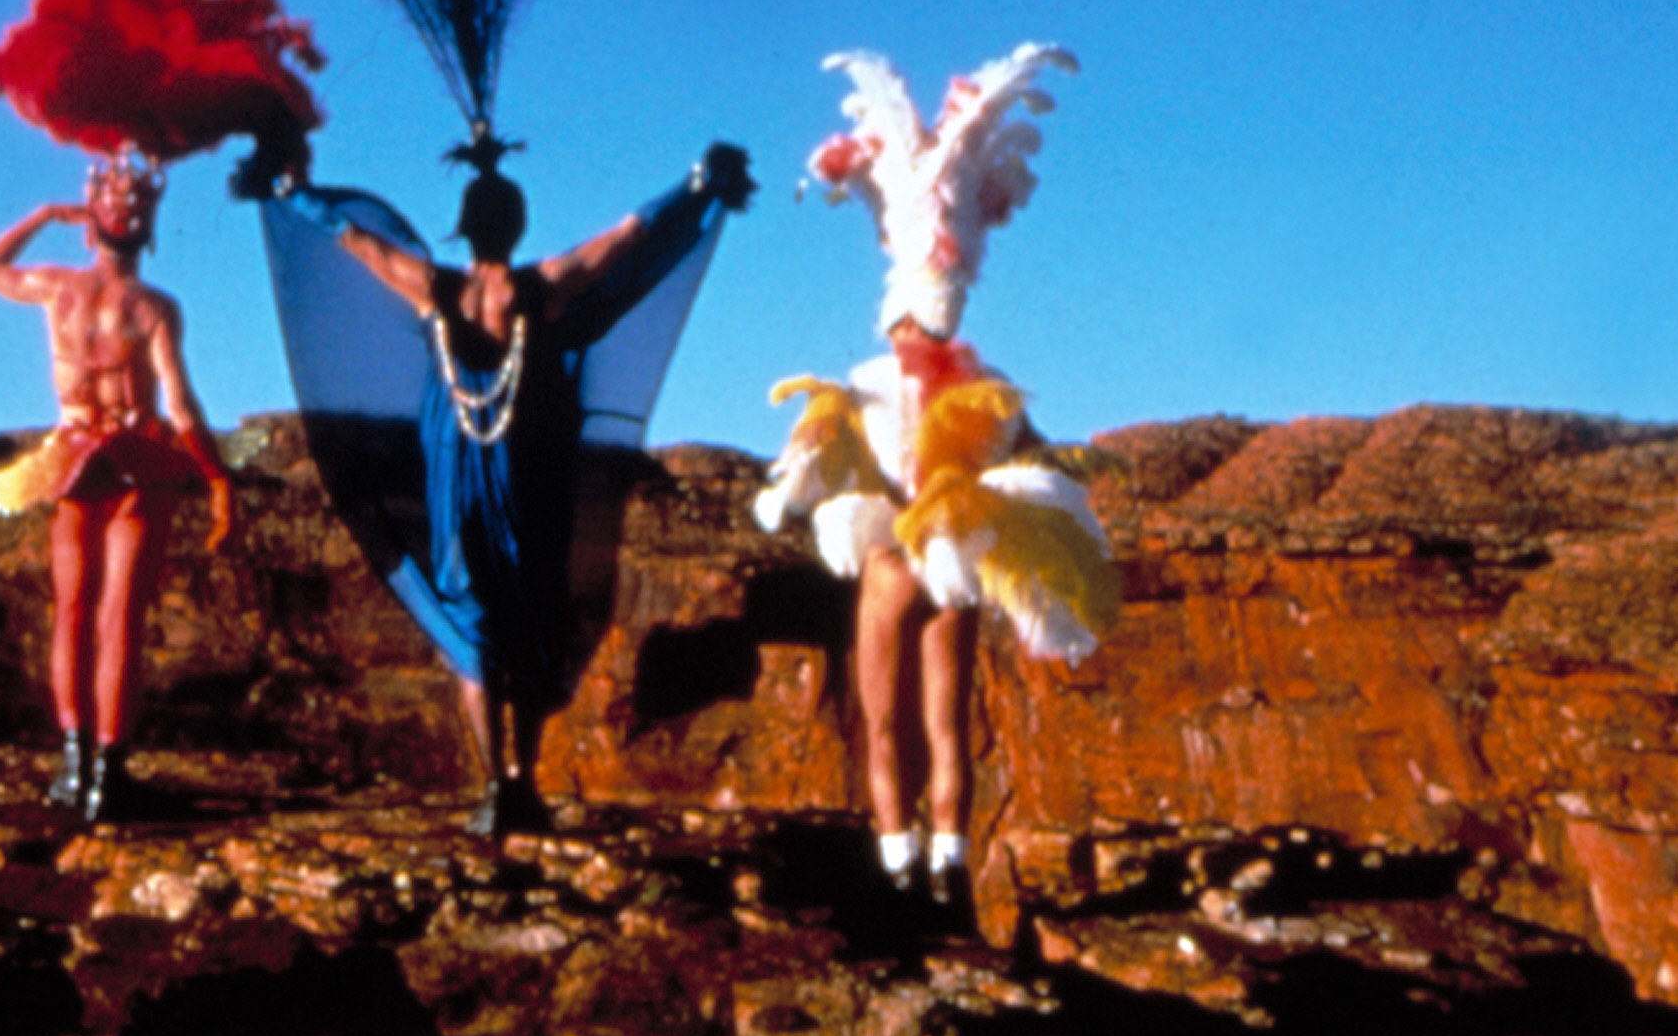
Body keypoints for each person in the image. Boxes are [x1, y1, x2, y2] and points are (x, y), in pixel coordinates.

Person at [284, 141, 750, 834]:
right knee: (529, 613)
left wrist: (296, 192)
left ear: (464, 227)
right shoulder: (540, 289)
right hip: (521, 469)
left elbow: (358, 243)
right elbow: (626, 238)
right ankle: (520, 783)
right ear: (517, 225)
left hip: (455, 465)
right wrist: (694, 186)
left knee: (471, 617)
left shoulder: (431, 288)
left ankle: (493, 786)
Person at [755, 46, 1116, 927]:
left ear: (898, 308)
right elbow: (1031, 466)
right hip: (953, 560)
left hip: (891, 565)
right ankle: (950, 870)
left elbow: (813, 462)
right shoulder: (991, 393)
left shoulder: (870, 382)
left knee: (883, 724)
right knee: (948, 726)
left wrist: (789, 490)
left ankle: (898, 870)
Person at [0, 153, 234, 822]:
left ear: (91, 228)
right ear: (147, 234)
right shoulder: (154, 308)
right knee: (119, 617)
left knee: (73, 614)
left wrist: (43, 215)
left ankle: (73, 768)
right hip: (138, 461)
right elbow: (181, 406)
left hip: (74, 456)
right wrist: (215, 478)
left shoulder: (57, 289)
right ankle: (107, 779)